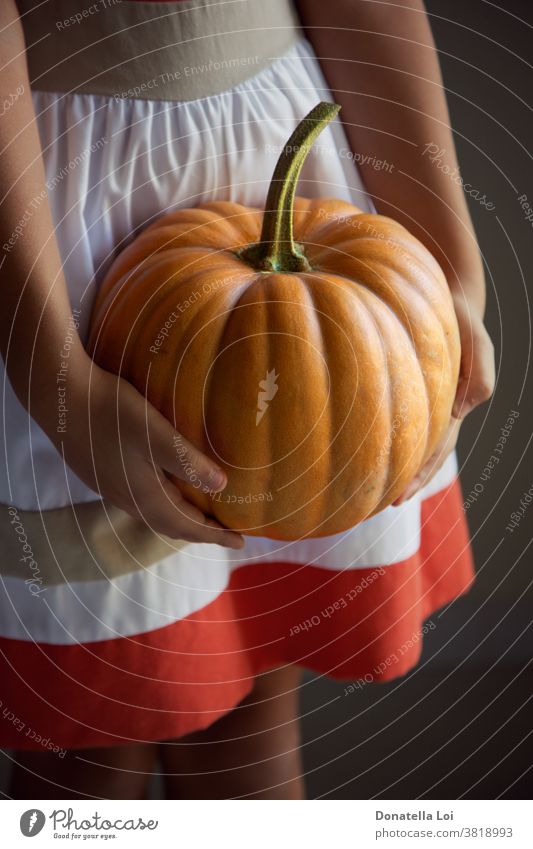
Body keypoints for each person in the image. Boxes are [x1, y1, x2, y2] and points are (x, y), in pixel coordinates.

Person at [0, 0, 494, 799]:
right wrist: (54, 375)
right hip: (50, 234)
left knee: (256, 697)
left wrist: (446, 267)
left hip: (286, 171)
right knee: (88, 737)